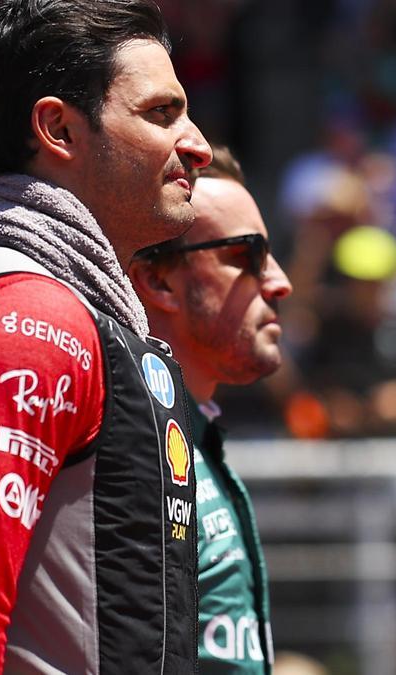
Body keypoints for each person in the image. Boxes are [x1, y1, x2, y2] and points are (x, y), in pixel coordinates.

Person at [0, 0, 212, 672]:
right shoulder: (28, 320)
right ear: (58, 129)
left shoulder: (67, 314)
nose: (198, 145)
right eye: (161, 114)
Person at [129, 145, 293, 673]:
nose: (279, 281)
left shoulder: (191, 433)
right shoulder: (122, 446)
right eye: (246, 256)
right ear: (159, 281)